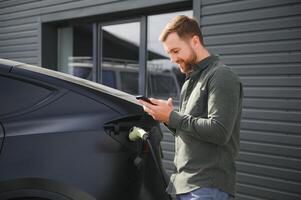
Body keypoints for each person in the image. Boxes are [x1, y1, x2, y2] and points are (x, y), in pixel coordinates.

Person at [138, 15, 243, 200]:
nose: (172, 59)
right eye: (169, 53)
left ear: (195, 41)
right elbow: (193, 133)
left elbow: (219, 131)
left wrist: (173, 117)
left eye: (176, 50)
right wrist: (166, 118)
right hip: (183, 186)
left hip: (207, 188)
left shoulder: (221, 76)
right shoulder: (190, 81)